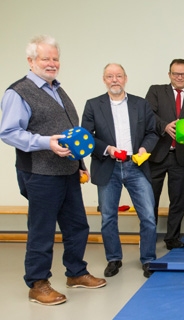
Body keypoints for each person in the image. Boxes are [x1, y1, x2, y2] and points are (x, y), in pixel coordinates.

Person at [0, 35, 106, 306]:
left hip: (67, 171)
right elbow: (9, 132)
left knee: (77, 226)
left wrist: (81, 164)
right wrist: (45, 142)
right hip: (39, 172)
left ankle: (76, 272)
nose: (51, 63)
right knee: (42, 229)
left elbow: (70, 134)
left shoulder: (57, 89)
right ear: (31, 61)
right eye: (45, 58)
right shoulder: (18, 92)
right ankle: (37, 284)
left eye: (55, 58)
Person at [81, 63, 159, 278]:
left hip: (136, 166)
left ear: (125, 78)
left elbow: (152, 132)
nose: (114, 80)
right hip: (108, 167)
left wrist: (144, 148)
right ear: (104, 79)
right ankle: (114, 258)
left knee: (149, 216)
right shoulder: (93, 105)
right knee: (108, 217)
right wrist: (107, 149)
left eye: (118, 76)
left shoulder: (141, 104)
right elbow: (87, 137)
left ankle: (148, 259)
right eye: (109, 76)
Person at [145, 58, 184, 250]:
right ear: (169, 74)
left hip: (182, 155)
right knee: (150, 199)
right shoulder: (155, 90)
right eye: (175, 73)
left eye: (183, 74)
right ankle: (148, 236)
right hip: (157, 154)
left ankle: (171, 238)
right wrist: (164, 126)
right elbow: (148, 115)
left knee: (178, 199)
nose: (179, 77)